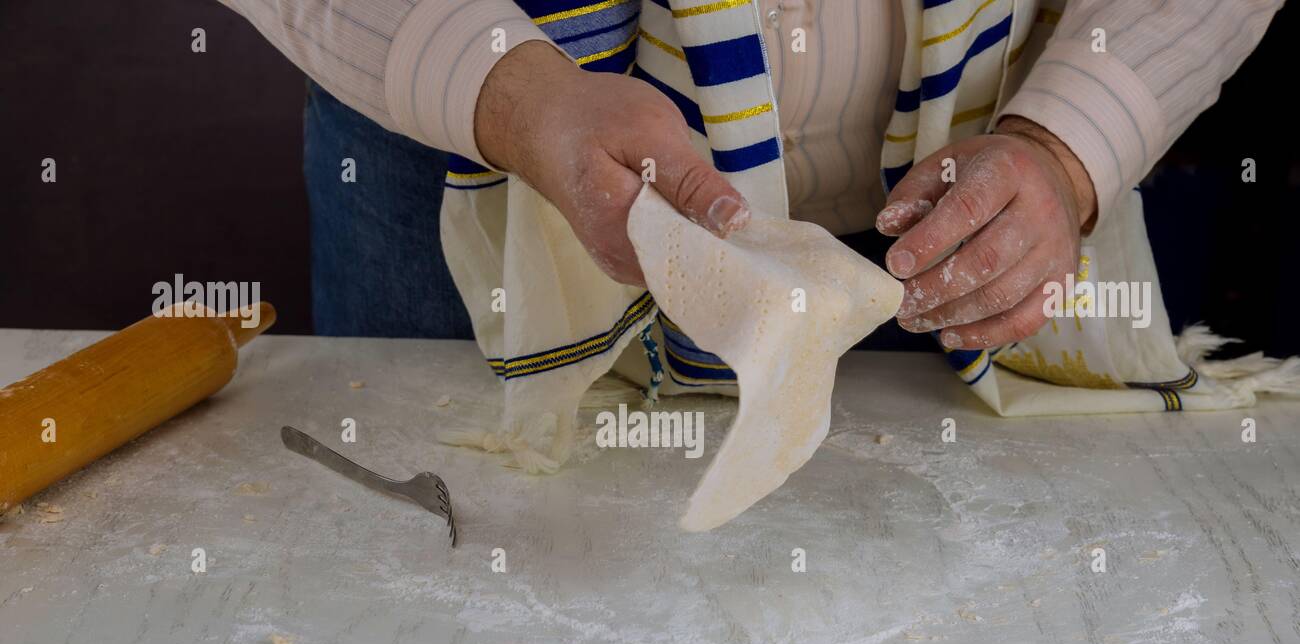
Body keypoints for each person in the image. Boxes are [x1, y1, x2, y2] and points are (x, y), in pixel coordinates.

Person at [219, 0, 1280, 367]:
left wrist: (1066, 142)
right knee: (456, 619)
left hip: (984, 184)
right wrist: (510, 96)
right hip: (492, 179)